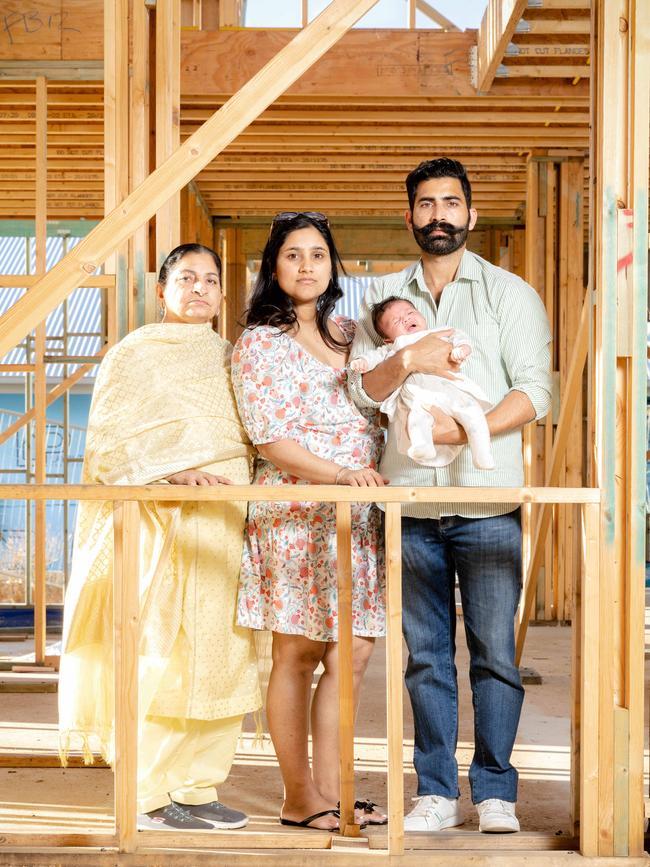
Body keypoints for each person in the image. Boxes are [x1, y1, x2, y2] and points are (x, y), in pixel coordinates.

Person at [348, 159, 552, 834]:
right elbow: (361, 391)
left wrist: (459, 429)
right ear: (408, 216)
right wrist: (405, 358)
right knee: (426, 657)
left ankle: (494, 789)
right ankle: (435, 790)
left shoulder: (508, 294)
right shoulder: (377, 301)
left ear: (470, 212)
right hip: (407, 507)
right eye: (427, 204)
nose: (440, 214)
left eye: (451, 202)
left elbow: (534, 392)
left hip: (489, 503)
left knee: (494, 651)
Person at [58, 243, 261, 832]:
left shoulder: (234, 358)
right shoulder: (133, 355)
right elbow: (108, 443)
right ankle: (147, 791)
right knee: (163, 650)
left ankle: (198, 785)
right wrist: (167, 471)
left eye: (210, 280)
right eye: (186, 278)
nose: (199, 288)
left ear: (223, 294)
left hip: (227, 520)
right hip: (160, 520)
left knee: (224, 649)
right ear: (162, 291)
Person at [231, 212, 387, 831]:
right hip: (295, 510)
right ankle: (299, 795)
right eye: (292, 255)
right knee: (296, 653)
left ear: (333, 265)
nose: (305, 266)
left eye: (317, 255)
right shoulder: (258, 342)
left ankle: (334, 790)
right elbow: (270, 440)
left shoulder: (352, 334)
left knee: (352, 654)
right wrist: (339, 474)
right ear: (274, 266)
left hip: (357, 514)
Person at [350, 296, 494, 469]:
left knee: (473, 411)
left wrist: (462, 349)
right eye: (396, 321)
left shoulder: (440, 334)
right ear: (388, 340)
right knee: (416, 418)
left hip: (447, 389)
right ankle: (423, 447)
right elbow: (374, 357)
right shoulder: (395, 347)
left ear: (422, 317)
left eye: (410, 312)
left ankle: (482, 453)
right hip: (417, 395)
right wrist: (363, 362)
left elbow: (460, 338)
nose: (406, 318)